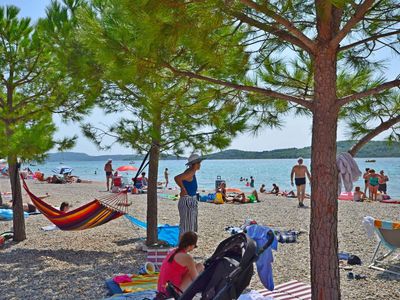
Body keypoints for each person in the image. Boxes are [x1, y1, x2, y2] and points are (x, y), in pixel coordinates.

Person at [157, 231, 204, 296]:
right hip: (172, 292)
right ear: (191, 245)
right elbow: (195, 278)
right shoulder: (187, 258)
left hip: (161, 289)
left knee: (198, 266)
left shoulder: (173, 251)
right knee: (200, 266)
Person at [174, 153, 204, 236]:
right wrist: (183, 189)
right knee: (186, 226)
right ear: (194, 164)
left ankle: (189, 243)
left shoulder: (192, 172)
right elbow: (177, 178)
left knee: (189, 224)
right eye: (198, 163)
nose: (200, 165)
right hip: (187, 200)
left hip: (190, 199)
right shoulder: (190, 172)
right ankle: (184, 244)